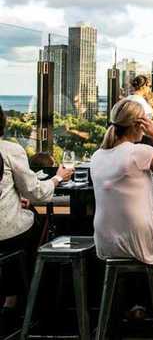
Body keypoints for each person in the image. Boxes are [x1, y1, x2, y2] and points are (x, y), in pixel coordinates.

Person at [90, 99, 153, 320]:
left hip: (105, 240)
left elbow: (121, 197)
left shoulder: (97, 156)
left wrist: (152, 213)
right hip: (134, 237)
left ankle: (137, 305)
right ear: (138, 125)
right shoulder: (138, 152)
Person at [0, 106, 73, 334]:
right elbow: (36, 192)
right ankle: (39, 308)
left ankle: (11, 301)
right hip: (7, 234)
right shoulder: (9, 150)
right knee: (37, 228)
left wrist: (18, 197)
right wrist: (58, 178)